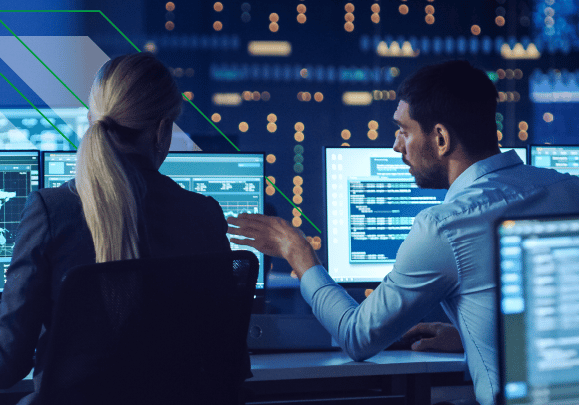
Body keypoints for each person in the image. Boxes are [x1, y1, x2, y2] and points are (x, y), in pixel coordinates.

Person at [227, 60, 579, 405]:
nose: (397, 146)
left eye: (404, 131)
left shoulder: (445, 225)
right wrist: (474, 336)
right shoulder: (568, 188)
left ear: (440, 138)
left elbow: (356, 336)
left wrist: (297, 252)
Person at [0, 52, 233, 403]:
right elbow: (224, 359)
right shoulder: (204, 214)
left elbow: (3, 368)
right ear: (162, 130)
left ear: (92, 119)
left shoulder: (52, 210)